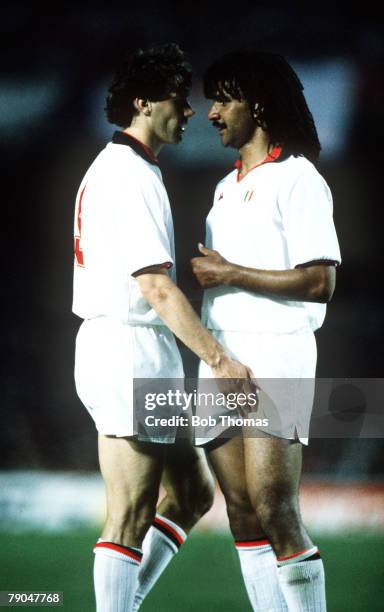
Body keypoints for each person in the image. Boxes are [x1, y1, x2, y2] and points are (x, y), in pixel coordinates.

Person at [72, 43, 252, 612]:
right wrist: (221, 360)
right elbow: (154, 286)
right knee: (129, 512)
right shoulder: (127, 174)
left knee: (194, 494)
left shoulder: (128, 168)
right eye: (181, 99)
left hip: (144, 350)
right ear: (144, 103)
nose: (192, 111)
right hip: (127, 347)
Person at [191, 50, 341, 611]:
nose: (211, 112)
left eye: (223, 98)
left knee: (277, 509)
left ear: (256, 103)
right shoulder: (225, 187)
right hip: (223, 359)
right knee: (240, 511)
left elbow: (319, 282)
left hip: (277, 356)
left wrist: (228, 272)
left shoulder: (298, 178)